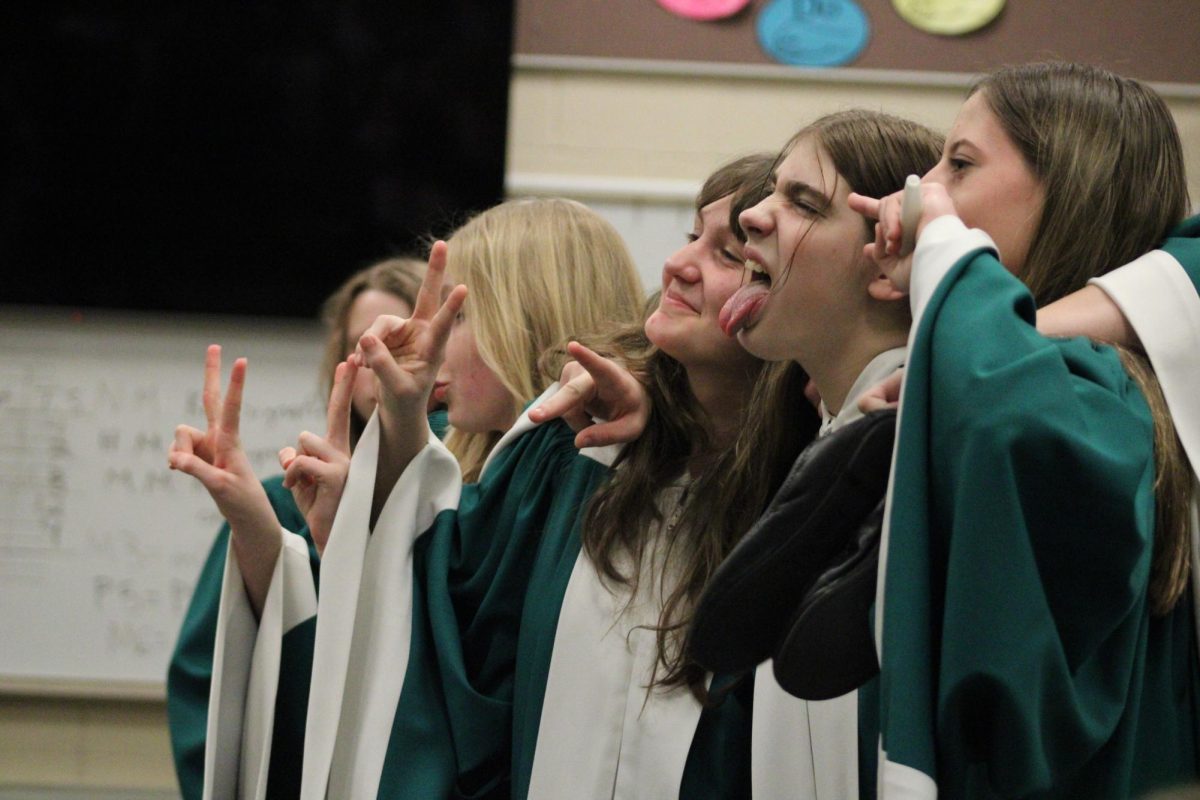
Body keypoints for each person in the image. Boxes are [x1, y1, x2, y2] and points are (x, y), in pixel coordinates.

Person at [175, 197, 645, 799]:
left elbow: (443, 686)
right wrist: (306, 528)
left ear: (530, 322)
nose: (433, 348)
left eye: (460, 319)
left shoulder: (565, 467)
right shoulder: (493, 468)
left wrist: (372, 519)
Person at [848, 61, 1200, 797]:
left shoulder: (1092, 395)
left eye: (961, 164)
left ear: (1072, 185)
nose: (924, 190)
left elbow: (1004, 422)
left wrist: (948, 246)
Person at [165, 256, 425, 800]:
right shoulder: (280, 501)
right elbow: (202, 678)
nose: (375, 361)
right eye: (359, 346)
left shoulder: (451, 500)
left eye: (396, 341)